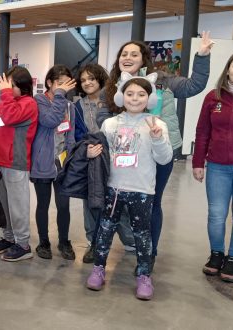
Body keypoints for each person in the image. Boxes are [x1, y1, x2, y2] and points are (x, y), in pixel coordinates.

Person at [99, 33, 214, 270]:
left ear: (144, 59)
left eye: (134, 54)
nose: (128, 57)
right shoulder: (113, 85)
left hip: (161, 149)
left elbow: (194, 85)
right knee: (118, 199)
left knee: (153, 202)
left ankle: (149, 252)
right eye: (124, 54)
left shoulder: (163, 80)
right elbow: (103, 115)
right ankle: (127, 244)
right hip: (126, 152)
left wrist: (202, 56)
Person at [86, 75, 172, 301]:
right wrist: (91, 153)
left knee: (142, 235)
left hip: (142, 190)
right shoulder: (110, 124)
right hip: (114, 188)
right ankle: (98, 268)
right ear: (121, 96)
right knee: (105, 230)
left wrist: (157, 138)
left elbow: (164, 159)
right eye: (130, 93)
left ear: (149, 98)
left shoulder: (156, 124)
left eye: (141, 94)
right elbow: (101, 153)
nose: (135, 98)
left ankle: (144, 275)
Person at [193, 50, 233, 283]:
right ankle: (217, 255)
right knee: (217, 214)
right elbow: (203, 132)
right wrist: (198, 162)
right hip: (217, 166)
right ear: (228, 68)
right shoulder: (213, 97)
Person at [74, 63, 135, 263]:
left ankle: (131, 240)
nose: (87, 83)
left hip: (115, 158)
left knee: (119, 200)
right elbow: (76, 133)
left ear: (100, 78)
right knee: (90, 201)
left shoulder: (114, 101)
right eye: (83, 80)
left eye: (91, 78)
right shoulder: (77, 105)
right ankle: (94, 243)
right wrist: (85, 151)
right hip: (91, 157)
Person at [0, 67, 39, 262]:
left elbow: (10, 117)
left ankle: (23, 244)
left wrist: (5, 94)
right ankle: (9, 237)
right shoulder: (8, 100)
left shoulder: (28, 103)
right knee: (3, 204)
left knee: (17, 205)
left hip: (15, 162)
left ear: (22, 85)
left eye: (10, 84)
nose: (6, 87)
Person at [30, 65, 77, 260]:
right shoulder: (39, 101)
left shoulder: (70, 106)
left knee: (63, 204)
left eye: (66, 84)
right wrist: (59, 95)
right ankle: (43, 242)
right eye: (59, 84)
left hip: (62, 162)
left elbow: (71, 134)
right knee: (43, 204)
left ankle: (64, 241)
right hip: (42, 162)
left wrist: (71, 159)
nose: (63, 88)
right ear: (49, 83)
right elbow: (49, 120)